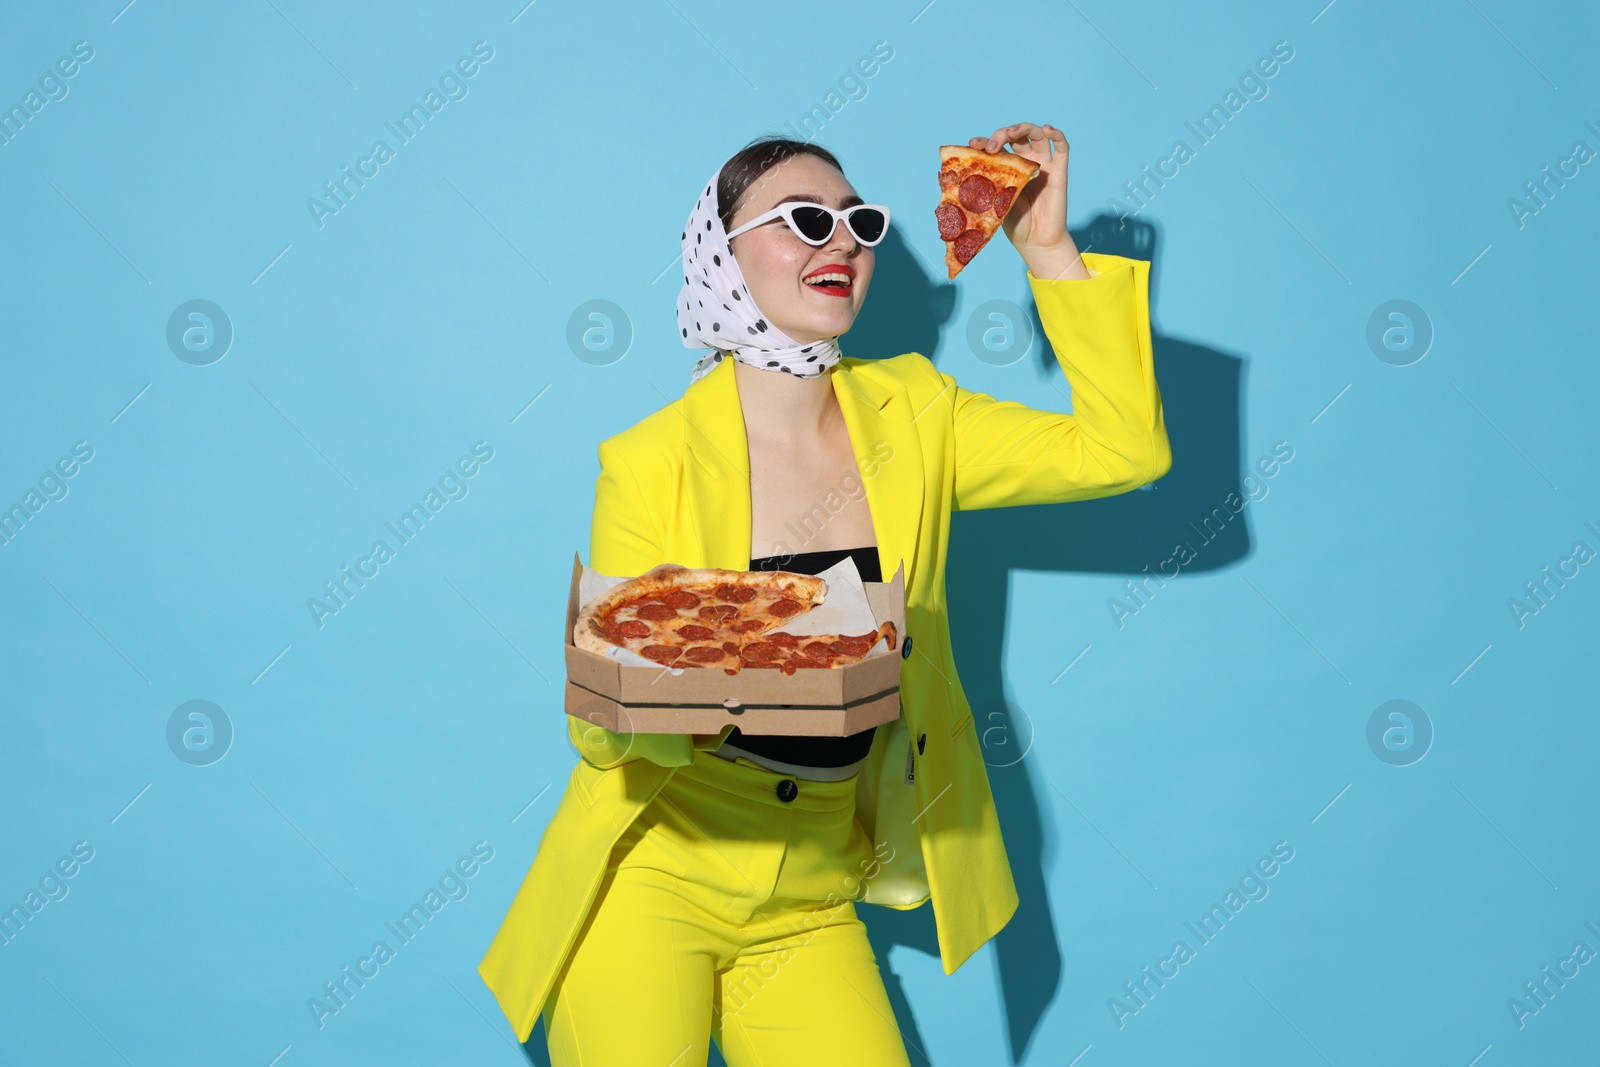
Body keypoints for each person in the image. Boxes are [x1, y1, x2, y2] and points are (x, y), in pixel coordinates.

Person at [479, 124, 1173, 1065]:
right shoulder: (650, 462)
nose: (841, 241)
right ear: (721, 255)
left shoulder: (920, 413)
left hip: (815, 887)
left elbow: (1123, 450)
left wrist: (1047, 249)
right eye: (805, 220)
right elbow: (599, 731)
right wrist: (727, 672)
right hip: (656, 873)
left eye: (860, 223)